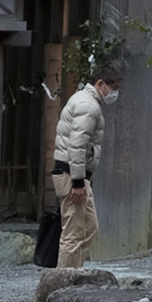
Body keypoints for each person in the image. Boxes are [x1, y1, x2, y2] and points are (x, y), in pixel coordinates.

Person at [53, 68, 121, 268]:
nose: (115, 93)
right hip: (71, 175)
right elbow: (77, 145)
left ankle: (74, 272)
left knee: (88, 227)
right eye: (114, 87)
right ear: (100, 84)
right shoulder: (89, 106)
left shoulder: (85, 101)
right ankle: (63, 281)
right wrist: (76, 182)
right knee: (74, 233)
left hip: (75, 173)